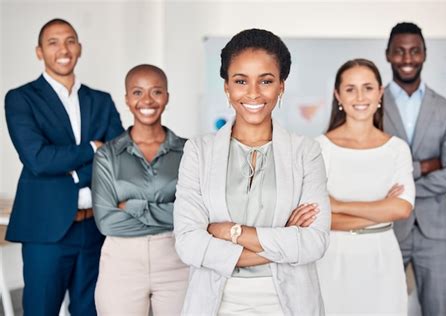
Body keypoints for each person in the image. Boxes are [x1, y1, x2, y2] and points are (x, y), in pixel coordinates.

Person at [173, 28, 331, 315]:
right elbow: (188, 244)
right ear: (227, 87)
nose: (254, 93)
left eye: (266, 81)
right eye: (241, 81)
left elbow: (313, 243)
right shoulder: (199, 151)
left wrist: (230, 232)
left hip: (287, 303)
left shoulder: (305, 152)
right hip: (217, 303)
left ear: (281, 86)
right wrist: (283, 239)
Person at [4, 18, 123, 316]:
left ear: (79, 48)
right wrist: (93, 149)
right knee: (41, 310)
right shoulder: (21, 99)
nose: (63, 49)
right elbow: (38, 160)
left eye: (70, 40)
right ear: (39, 52)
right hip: (46, 230)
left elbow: (118, 158)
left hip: (95, 227)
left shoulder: (101, 100)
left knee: (91, 310)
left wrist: (72, 169)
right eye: (53, 42)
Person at [316, 58, 415, 315]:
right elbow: (316, 219)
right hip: (333, 259)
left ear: (380, 92)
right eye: (350, 89)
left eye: (368, 87)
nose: (360, 96)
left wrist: (338, 206)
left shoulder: (397, 149)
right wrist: (381, 209)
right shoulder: (319, 148)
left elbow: (402, 209)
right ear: (338, 95)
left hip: (382, 258)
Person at [384, 22, 446, 316]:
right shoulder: (370, 106)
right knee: (379, 308)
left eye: (414, 51)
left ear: (424, 54)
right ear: (388, 54)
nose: (407, 59)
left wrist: (402, 183)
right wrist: (428, 165)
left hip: (437, 234)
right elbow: (369, 170)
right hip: (385, 231)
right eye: (400, 51)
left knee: (437, 311)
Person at [92, 64, 189, 315]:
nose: (147, 100)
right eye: (137, 92)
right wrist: (171, 213)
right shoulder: (107, 155)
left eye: (156, 92)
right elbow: (107, 222)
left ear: (167, 96)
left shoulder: (189, 152)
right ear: (127, 99)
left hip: (177, 260)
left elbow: (194, 216)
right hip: (121, 263)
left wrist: (132, 207)